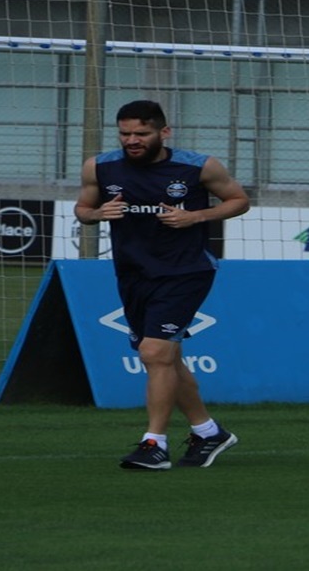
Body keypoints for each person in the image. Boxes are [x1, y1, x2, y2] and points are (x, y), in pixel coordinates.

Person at [75, 100, 251, 470]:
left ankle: (154, 443)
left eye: (142, 133)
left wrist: (197, 216)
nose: (132, 140)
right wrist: (96, 214)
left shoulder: (198, 166)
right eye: (125, 134)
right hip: (133, 273)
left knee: (154, 353)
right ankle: (208, 431)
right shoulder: (100, 167)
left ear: (163, 132)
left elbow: (238, 200)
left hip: (185, 272)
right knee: (166, 358)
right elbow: (83, 208)